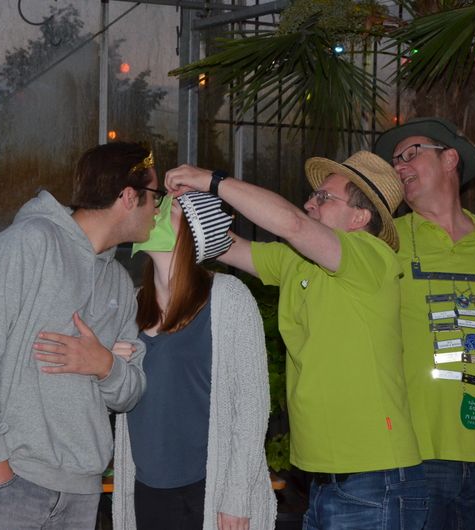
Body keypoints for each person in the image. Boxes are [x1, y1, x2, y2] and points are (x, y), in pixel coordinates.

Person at [165, 152, 427, 530]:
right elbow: (223, 245)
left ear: (359, 218)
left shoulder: (373, 257)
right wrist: (188, 207)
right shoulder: (298, 261)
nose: (309, 203)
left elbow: (291, 223)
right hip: (323, 479)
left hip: (374, 479)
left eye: (324, 197)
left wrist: (212, 180)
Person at [0, 142, 158, 530]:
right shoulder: (28, 243)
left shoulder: (120, 284)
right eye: (154, 196)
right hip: (8, 480)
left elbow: (131, 391)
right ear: (129, 197)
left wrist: (105, 365)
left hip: (81, 491)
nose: (157, 209)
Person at [108, 191, 277, 530]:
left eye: (168, 209)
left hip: (204, 490)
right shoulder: (131, 305)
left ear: (192, 231)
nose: (154, 212)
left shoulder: (228, 297)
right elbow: (115, 399)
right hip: (145, 490)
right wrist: (108, 366)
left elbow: (252, 405)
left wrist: (237, 495)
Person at [375, 117, 475, 530]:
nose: (399, 166)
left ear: (450, 159)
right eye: (395, 161)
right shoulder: (382, 244)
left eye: (410, 154)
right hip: (414, 455)